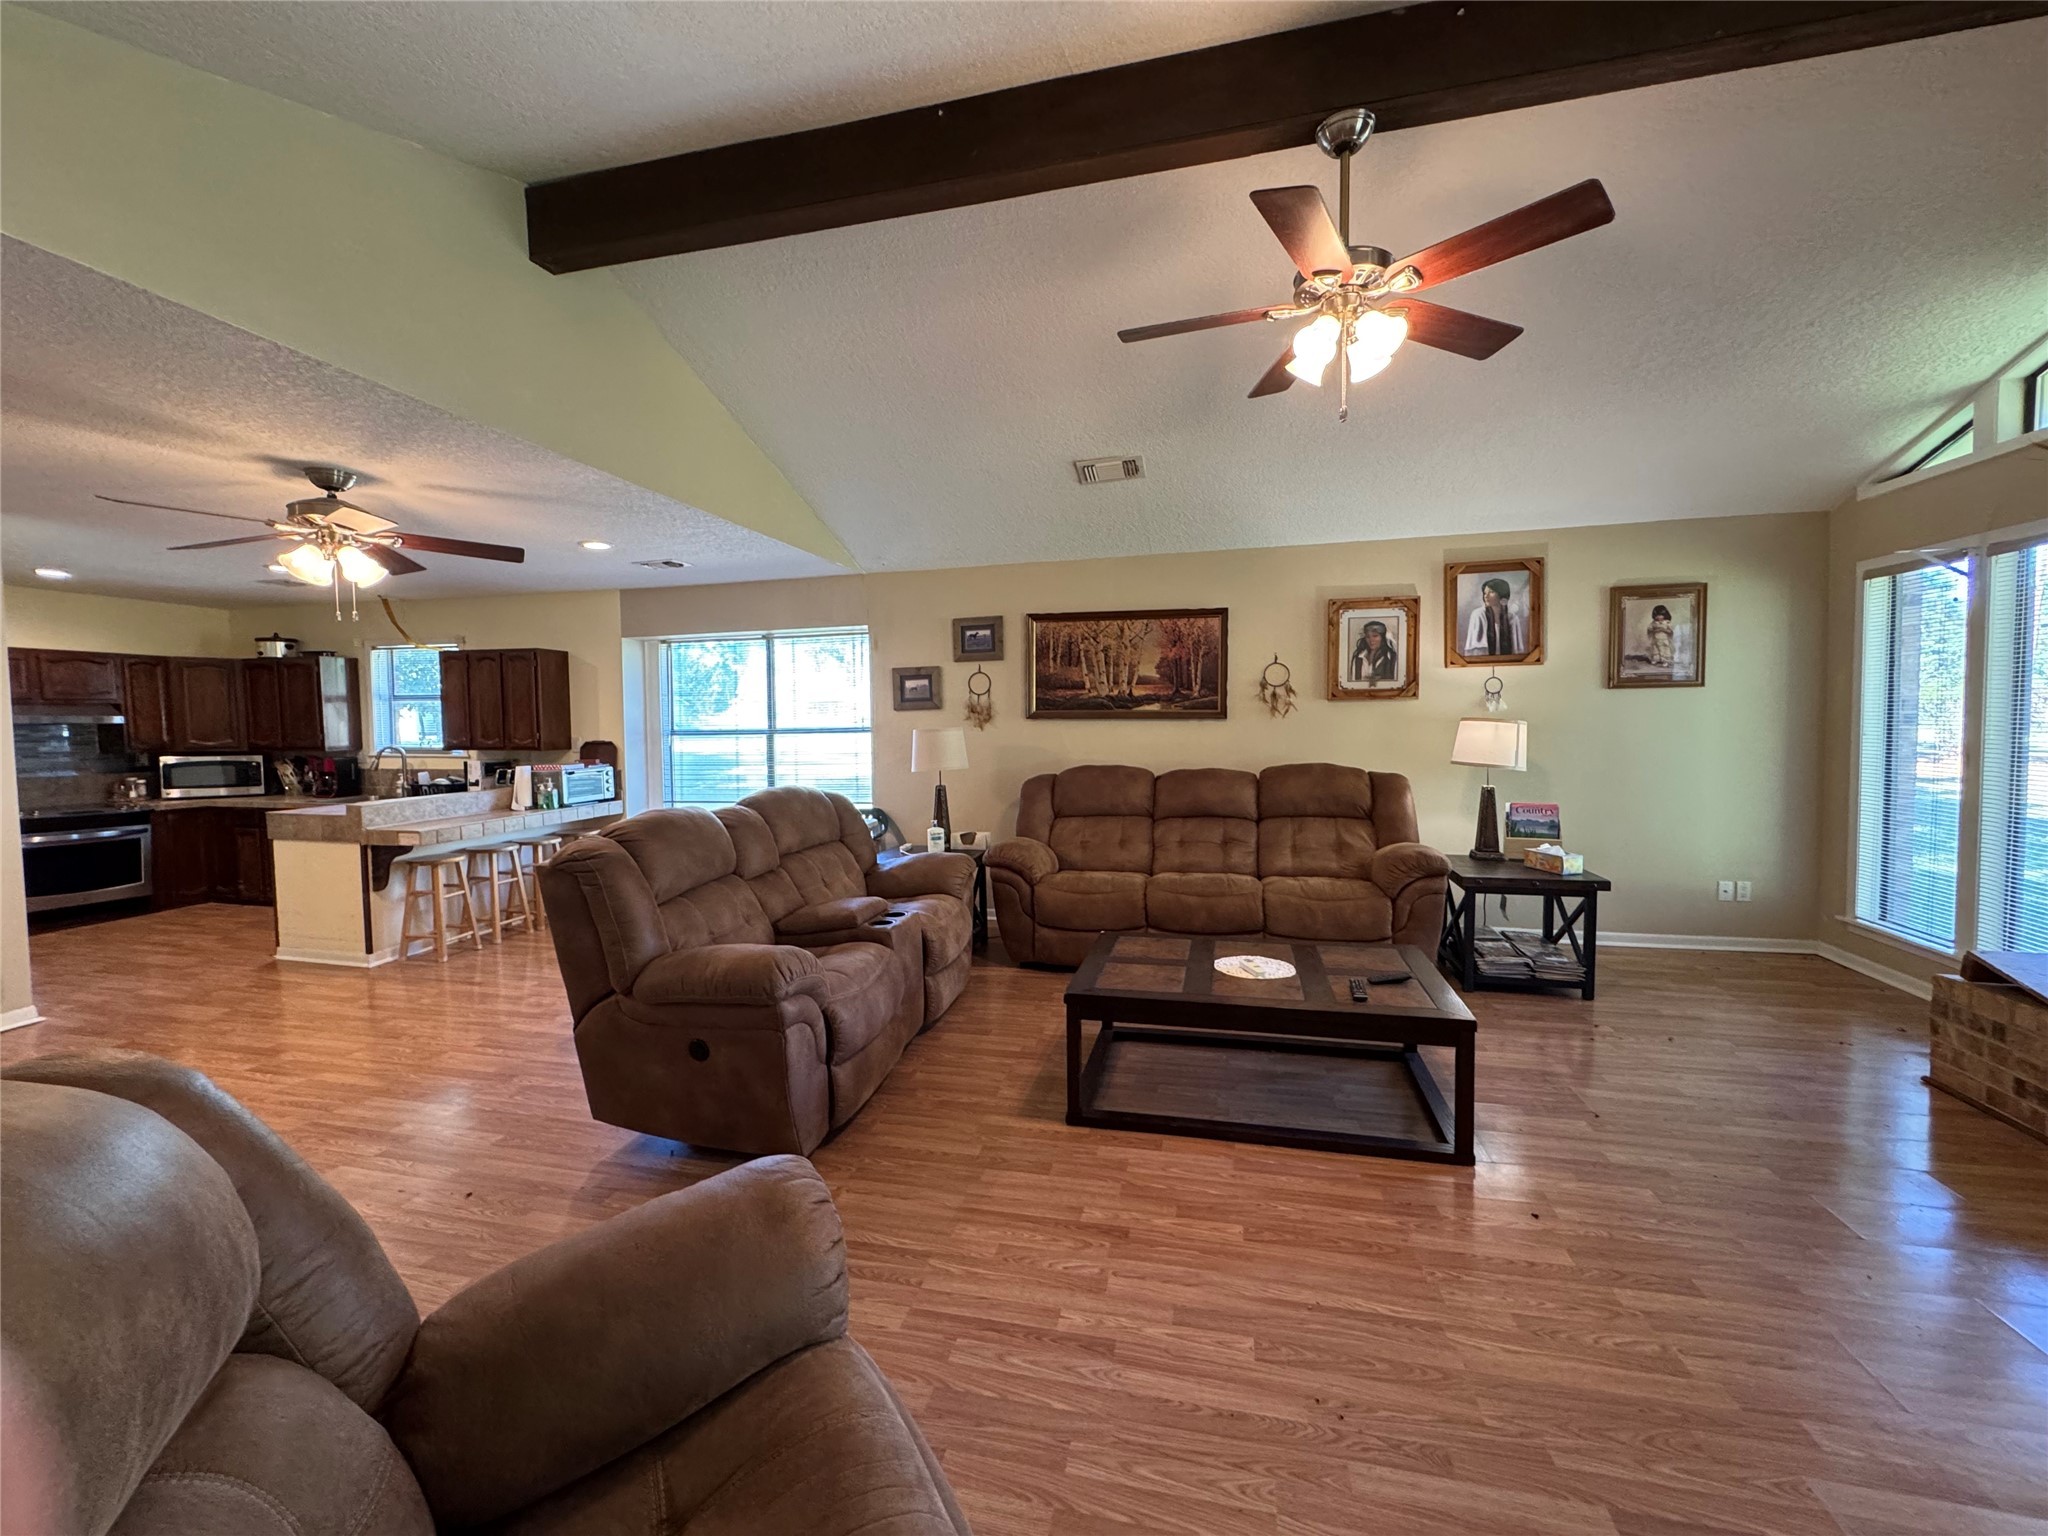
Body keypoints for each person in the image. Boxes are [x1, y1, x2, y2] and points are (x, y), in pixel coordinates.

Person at [1463, 576, 1524, 657]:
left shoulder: (1512, 617)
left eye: (1491, 592)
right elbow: (1473, 651)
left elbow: (1517, 651)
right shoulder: (1478, 615)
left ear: (1501, 594)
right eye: (1485, 593)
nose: (1486, 596)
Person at [1350, 619, 1398, 684]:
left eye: (1375, 636)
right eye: (1368, 636)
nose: (1371, 640)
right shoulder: (1358, 657)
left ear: (1383, 637)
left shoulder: (1392, 658)